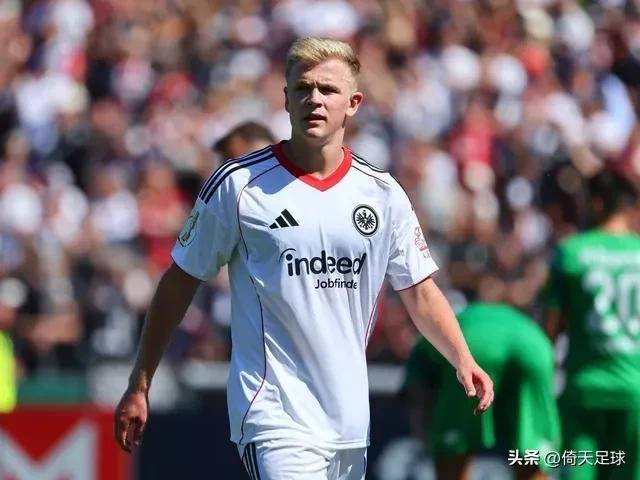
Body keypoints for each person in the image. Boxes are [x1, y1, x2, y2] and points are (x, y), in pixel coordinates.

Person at [114, 37, 493, 480]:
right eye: (302, 88)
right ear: (286, 99)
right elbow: (180, 281)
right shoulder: (239, 184)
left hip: (349, 423)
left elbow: (420, 292)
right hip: (274, 415)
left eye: (328, 89)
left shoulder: (382, 193)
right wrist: (140, 382)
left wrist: (462, 358)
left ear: (353, 104)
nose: (314, 98)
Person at [543, 169, 640, 480]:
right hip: (635, 392)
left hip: (585, 389)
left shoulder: (572, 251)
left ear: (596, 203)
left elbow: (551, 329)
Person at [403, 302, 560, 480]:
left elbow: (418, 395)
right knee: (533, 455)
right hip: (535, 345)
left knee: (452, 455)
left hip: (475, 344)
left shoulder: (423, 349)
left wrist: (436, 440)